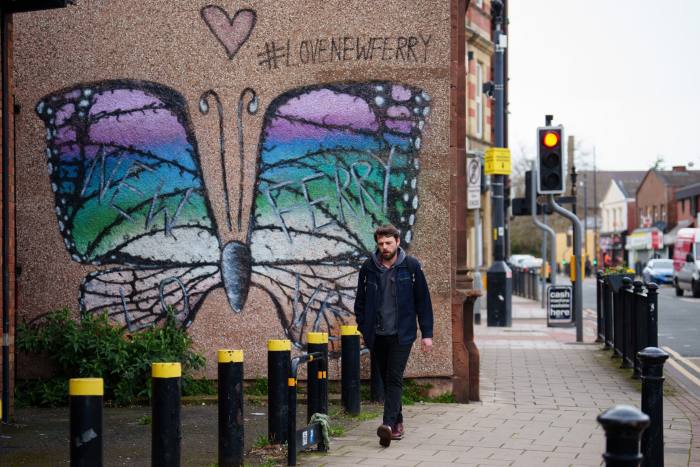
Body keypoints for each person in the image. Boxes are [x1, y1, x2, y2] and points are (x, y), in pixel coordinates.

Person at [354, 224, 434, 447]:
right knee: (386, 377)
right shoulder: (369, 267)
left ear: (398, 242)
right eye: (380, 244)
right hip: (377, 334)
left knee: (394, 377)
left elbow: (423, 302)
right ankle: (398, 424)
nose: (384, 247)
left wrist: (427, 333)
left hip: (403, 333)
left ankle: (387, 425)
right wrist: (363, 326)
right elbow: (360, 301)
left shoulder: (411, 267)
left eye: (388, 243)